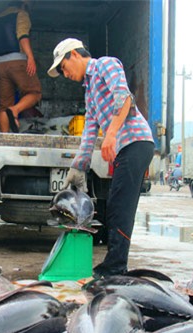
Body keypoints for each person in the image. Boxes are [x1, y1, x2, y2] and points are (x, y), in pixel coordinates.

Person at [47, 38, 154, 278]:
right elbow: (90, 130)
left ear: (74, 54)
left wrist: (112, 134)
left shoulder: (105, 65)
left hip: (136, 142)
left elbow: (124, 97)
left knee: (120, 207)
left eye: (63, 68)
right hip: (125, 147)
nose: (65, 74)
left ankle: (116, 267)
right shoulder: (90, 89)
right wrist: (78, 166)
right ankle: (115, 264)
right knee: (117, 206)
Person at [0, 0, 41, 133]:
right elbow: (22, 36)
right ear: (23, 4)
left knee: (4, 105)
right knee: (34, 92)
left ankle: (5, 138)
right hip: (18, 61)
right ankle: (15, 110)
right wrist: (30, 57)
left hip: (0, 65)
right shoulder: (21, 14)